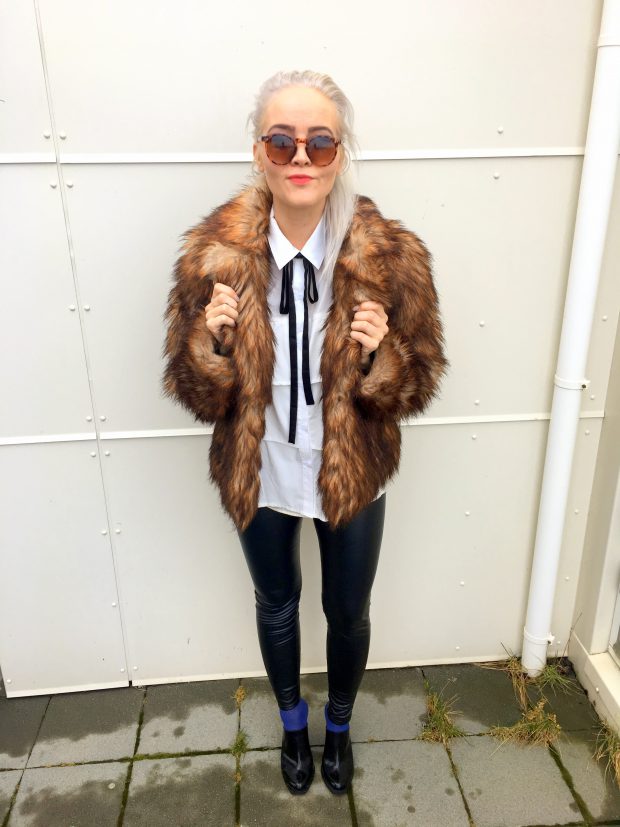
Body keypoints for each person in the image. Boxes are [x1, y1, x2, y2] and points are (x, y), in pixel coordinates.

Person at [161, 69, 449, 796]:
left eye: (319, 142)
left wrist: (382, 357)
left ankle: (339, 727)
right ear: (259, 151)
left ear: (339, 154)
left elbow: (419, 383)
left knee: (347, 612)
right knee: (277, 603)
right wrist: (211, 344)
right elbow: (194, 391)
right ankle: (294, 724)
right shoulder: (213, 258)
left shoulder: (390, 257)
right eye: (281, 140)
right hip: (259, 464)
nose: (300, 157)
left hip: (351, 464)